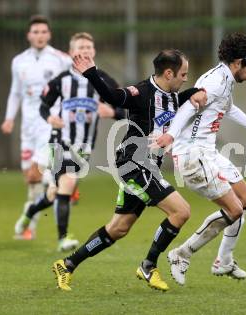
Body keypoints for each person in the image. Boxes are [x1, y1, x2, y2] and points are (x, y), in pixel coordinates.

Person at [51, 49, 207, 292]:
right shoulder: (143, 92)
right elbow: (113, 96)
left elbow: (181, 98)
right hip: (135, 164)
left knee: (118, 229)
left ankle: (67, 264)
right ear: (168, 73)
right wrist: (91, 73)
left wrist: (194, 93)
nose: (186, 78)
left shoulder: (172, 94)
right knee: (181, 212)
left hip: (146, 166)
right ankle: (148, 265)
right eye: (183, 74)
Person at [155, 32, 246, 285]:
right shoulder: (216, 82)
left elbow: (229, 109)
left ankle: (223, 260)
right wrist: (171, 136)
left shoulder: (225, 79)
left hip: (208, 152)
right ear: (237, 63)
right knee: (234, 209)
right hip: (192, 155)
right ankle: (181, 254)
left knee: (245, 199)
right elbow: (189, 104)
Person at [14, 32, 125, 251]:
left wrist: (111, 111)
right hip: (59, 141)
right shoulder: (61, 80)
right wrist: (49, 118)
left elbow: (124, 110)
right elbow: (43, 105)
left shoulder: (104, 80)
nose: (85, 51)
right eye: (80, 48)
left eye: (88, 48)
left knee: (53, 193)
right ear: (72, 52)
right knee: (68, 181)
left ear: (93, 52)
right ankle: (63, 238)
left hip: (84, 147)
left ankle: (30, 212)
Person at [1, 15, 72, 240]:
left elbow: (75, 85)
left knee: (38, 172)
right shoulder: (19, 61)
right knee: (31, 179)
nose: (40, 36)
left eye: (43, 32)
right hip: (28, 126)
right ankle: (30, 223)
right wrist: (9, 118)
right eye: (35, 32)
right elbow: (15, 92)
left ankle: (56, 187)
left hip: (49, 123)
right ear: (28, 35)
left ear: (49, 35)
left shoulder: (61, 59)